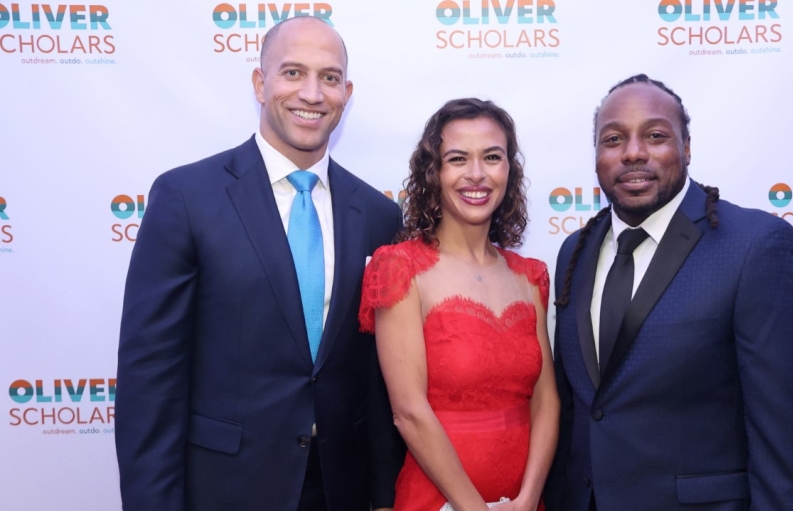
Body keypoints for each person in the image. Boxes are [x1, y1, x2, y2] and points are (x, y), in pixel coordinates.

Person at [115, 17, 404, 511]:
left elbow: (379, 383)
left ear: (346, 92)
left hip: (341, 489)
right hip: (224, 488)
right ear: (259, 82)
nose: (312, 93)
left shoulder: (378, 215)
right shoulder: (187, 197)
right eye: (293, 73)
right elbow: (150, 381)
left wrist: (383, 495)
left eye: (329, 78)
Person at [544, 74, 793, 510]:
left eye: (655, 136)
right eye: (613, 139)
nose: (633, 153)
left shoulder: (754, 246)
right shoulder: (574, 252)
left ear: (687, 147)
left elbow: (790, 440)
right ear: (598, 155)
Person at [358, 98, 559, 511]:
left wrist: (528, 499)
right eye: (457, 159)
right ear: (434, 173)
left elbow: (547, 402)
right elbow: (408, 411)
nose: (476, 174)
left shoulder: (531, 275)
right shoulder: (399, 268)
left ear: (509, 170)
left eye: (492, 157)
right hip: (436, 500)